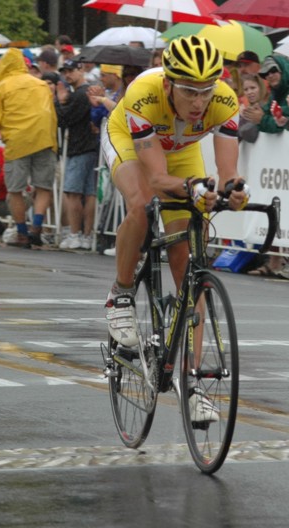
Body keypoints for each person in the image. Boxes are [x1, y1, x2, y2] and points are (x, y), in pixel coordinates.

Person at [102, 35, 247, 392]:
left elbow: (228, 173)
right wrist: (192, 187)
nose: (199, 102)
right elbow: (156, 179)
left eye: (206, 91)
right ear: (168, 84)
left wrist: (234, 191)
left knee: (189, 259)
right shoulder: (143, 94)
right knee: (142, 203)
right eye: (189, 91)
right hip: (131, 142)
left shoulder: (225, 100)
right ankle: (121, 293)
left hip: (182, 152)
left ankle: (192, 381)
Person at [0, 48, 58, 249]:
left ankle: (22, 234)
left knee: (15, 190)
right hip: (44, 139)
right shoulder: (41, 84)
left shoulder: (2, 87)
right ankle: (36, 229)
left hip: (18, 142)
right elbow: (52, 115)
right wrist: (54, 144)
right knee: (44, 187)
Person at [55, 59, 100, 250]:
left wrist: (59, 101)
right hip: (89, 147)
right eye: (64, 71)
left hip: (79, 148)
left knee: (73, 192)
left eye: (71, 70)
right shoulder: (85, 92)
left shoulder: (80, 94)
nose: (67, 75)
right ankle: (86, 235)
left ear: (80, 70)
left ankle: (76, 234)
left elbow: (64, 119)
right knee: (89, 193)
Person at [253, 55, 289, 133]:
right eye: (265, 74)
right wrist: (253, 113)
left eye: (273, 70)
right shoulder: (275, 92)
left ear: (282, 70)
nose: (270, 75)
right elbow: (267, 112)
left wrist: (262, 120)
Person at [238, 73, 268, 143]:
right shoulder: (244, 111)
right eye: (246, 89)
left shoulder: (266, 108)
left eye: (253, 88)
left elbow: (251, 136)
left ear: (260, 88)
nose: (249, 92)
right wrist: (240, 117)